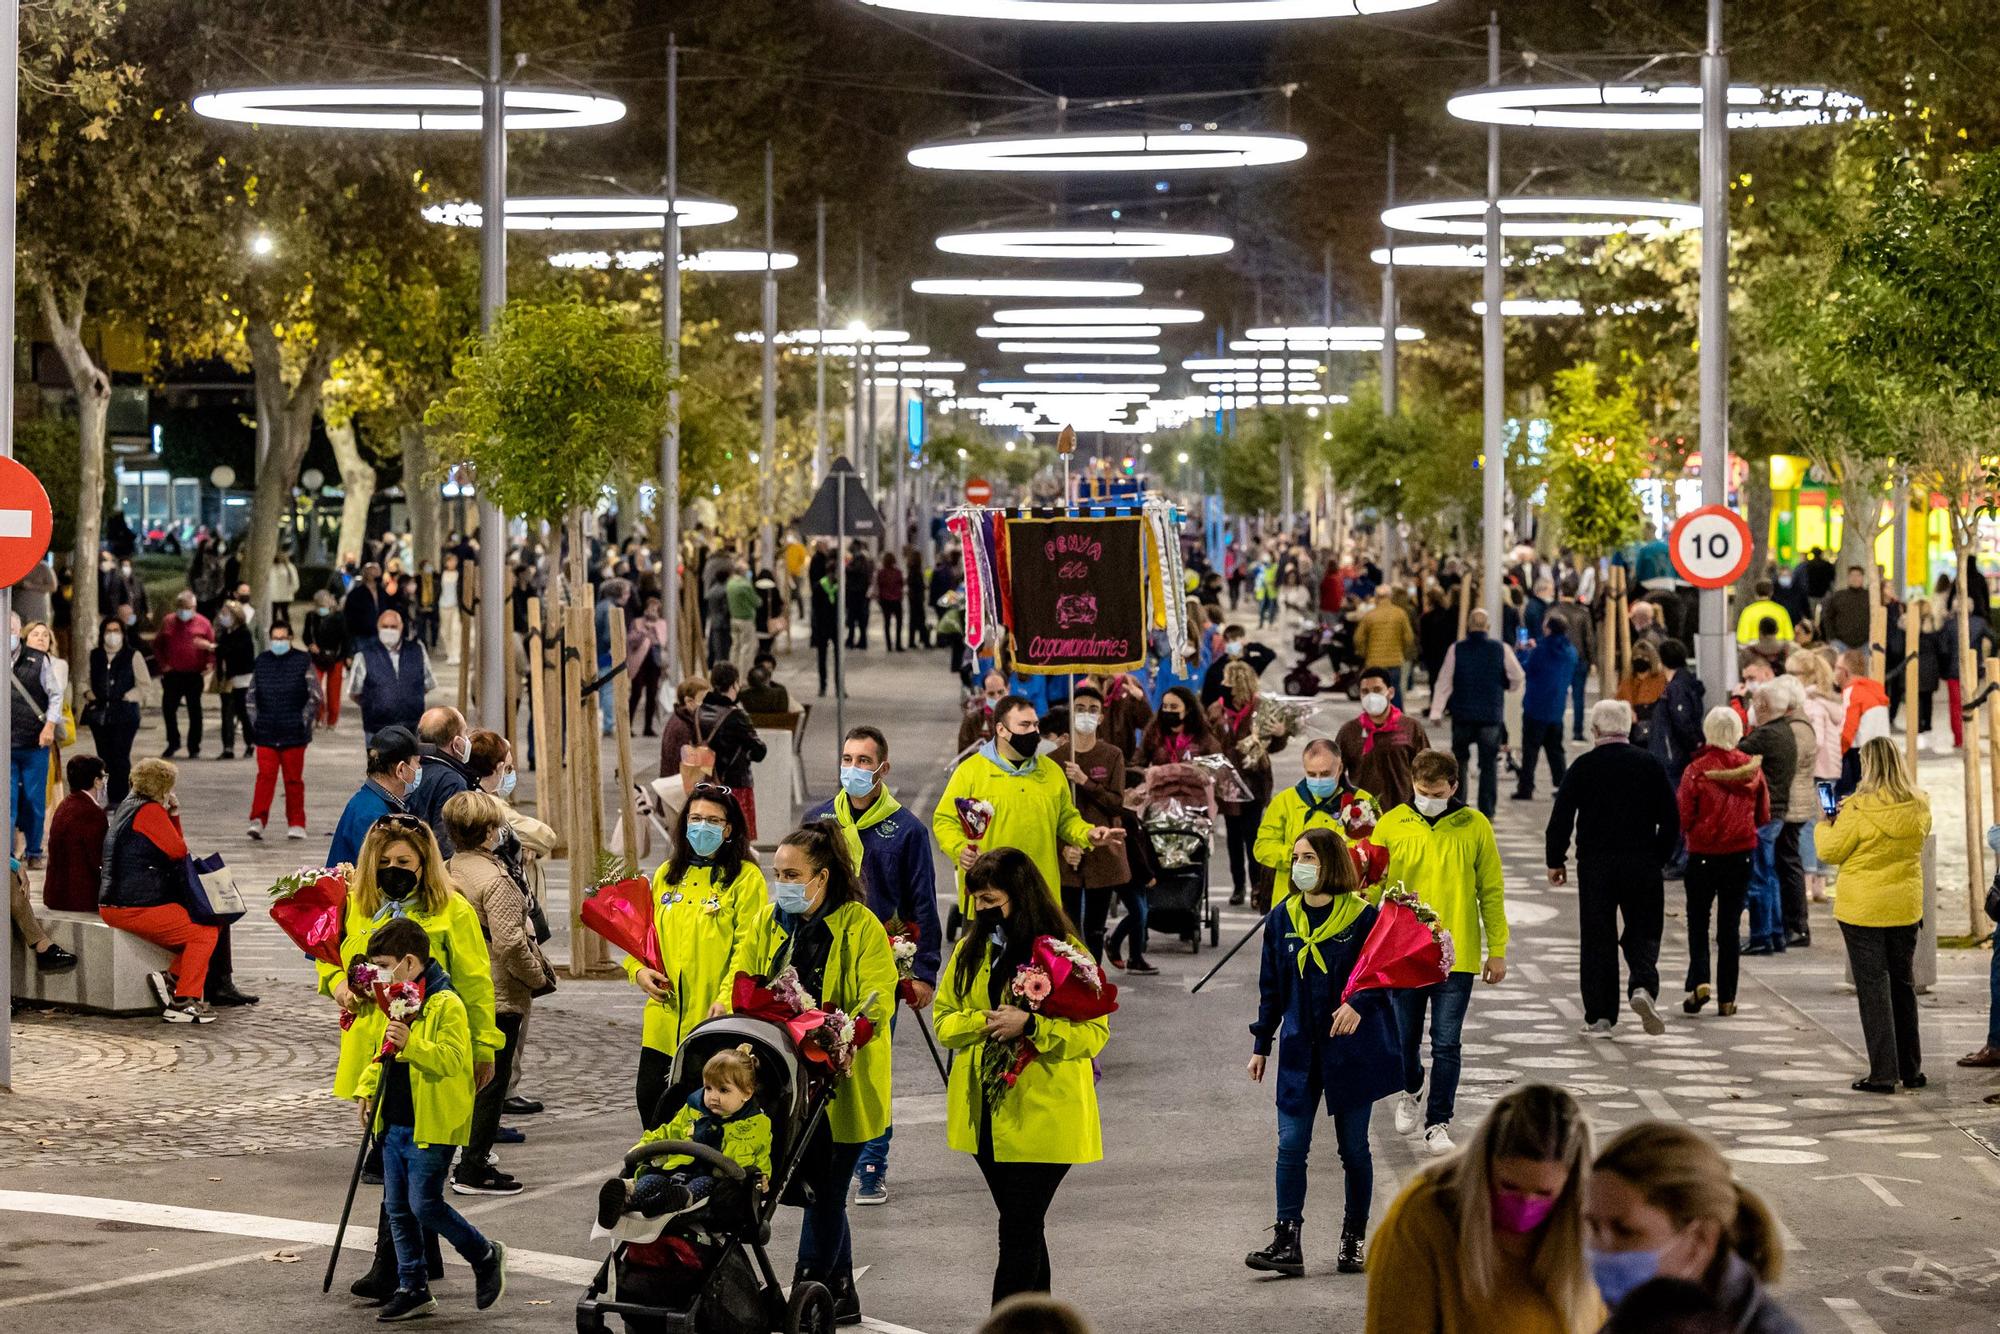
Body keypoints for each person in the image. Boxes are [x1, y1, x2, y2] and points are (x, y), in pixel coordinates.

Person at [728, 820, 896, 1325]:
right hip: (784, 1080)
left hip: (840, 1082)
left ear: (822, 878)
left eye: (793, 874)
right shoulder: (767, 920)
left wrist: (845, 1035)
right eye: (778, 873)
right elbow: (741, 971)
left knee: (826, 1186)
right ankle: (839, 1290)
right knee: (820, 1188)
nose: (783, 884)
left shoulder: (860, 926)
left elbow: (877, 997)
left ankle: (808, 1280)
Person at [329, 815, 501, 1303]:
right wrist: (340, 985)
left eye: (403, 861)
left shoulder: (453, 911)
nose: (392, 869)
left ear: (425, 862)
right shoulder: (360, 904)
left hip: (428, 1051)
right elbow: (332, 956)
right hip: (373, 1044)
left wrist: (483, 1046)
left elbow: (474, 983)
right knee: (392, 1152)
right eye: (383, 861)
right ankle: (417, 1265)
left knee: (401, 1164)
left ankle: (394, 1267)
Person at [935, 847, 1106, 1306]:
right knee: (1025, 1227)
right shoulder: (971, 952)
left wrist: (1032, 1026)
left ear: (1020, 896)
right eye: (978, 902)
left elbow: (1093, 1034)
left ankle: (1003, 1323)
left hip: (1045, 1116)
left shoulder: (1065, 955)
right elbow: (944, 1021)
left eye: (992, 900)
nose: (983, 911)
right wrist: (986, 1023)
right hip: (986, 1117)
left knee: (1018, 1230)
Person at [1245, 826, 1400, 1278]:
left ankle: (1353, 1240)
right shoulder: (1283, 917)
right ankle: (1286, 1240)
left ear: (1330, 862)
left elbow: (1382, 974)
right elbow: (1271, 988)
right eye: (1296, 858)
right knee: (1290, 1144)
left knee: (1353, 1149)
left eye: (1308, 857)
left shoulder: (1363, 917)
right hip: (1298, 1049)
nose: (1299, 866)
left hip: (1351, 1051)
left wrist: (1358, 1004)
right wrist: (1261, 1044)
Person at [804, 725, 942, 1205]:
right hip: (819, 959)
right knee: (817, 1057)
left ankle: (871, 1163)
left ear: (883, 768)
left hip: (879, 963)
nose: (854, 769)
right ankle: (817, 1149)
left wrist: (924, 971)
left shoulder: (906, 830)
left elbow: (923, 901)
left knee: (870, 1061)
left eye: (864, 761)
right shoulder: (819, 820)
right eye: (847, 759)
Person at [352, 916, 510, 1322]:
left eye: (383, 964)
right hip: (396, 1121)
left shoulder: (445, 1003)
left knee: (425, 1204)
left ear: (408, 961)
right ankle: (412, 1286)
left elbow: (454, 1061)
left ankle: (484, 1253)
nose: (378, 974)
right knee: (397, 1208)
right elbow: (381, 1050)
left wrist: (413, 1045)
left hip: (433, 1122)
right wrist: (368, 1088)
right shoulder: (396, 998)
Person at [1364, 1083, 1599, 1334]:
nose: (1525, 1205)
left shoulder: (1592, 1225)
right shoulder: (1421, 1219)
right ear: (1484, 1168)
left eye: (1543, 1194)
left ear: (1571, 1188)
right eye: (1509, 1186)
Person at [1375, 749, 1507, 1155]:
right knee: (1402, 1040)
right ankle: (1411, 1086)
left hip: (1458, 953)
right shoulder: (1391, 824)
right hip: (1403, 953)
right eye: (1420, 790)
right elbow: (1372, 887)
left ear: (1453, 787)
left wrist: (1497, 948)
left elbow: (1491, 889)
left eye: (1436, 791)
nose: (1428, 797)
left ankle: (1438, 1121)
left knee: (1447, 1042)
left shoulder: (1474, 826)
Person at [629, 785, 768, 1127]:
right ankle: (655, 1174)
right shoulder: (667, 874)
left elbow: (747, 949)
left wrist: (725, 999)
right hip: (662, 1019)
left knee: (701, 1115)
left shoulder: (745, 879)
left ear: (729, 828)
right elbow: (644, 938)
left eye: (712, 820)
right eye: (695, 818)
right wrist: (637, 971)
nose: (701, 827)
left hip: (712, 1022)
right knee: (651, 1103)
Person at [1586, 1122, 1804, 1332]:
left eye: (1626, 1231)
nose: (1601, 1250)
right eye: (1594, 1227)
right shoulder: (1636, 1318)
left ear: (1701, 1239)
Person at [1546, 700, 1679, 1036]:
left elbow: (1561, 817)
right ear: (1629, 728)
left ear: (1594, 731)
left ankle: (1600, 1017)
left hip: (1596, 865)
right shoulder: (1649, 764)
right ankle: (1643, 986)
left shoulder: (1583, 766)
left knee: (1597, 937)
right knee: (1644, 928)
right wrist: (1659, 857)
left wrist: (1555, 860)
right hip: (1643, 862)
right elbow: (1672, 819)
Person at [443, 790, 553, 1194]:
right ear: (490, 833)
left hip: (459, 987)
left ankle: (462, 1153)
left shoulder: (447, 869)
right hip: (497, 993)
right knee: (491, 1081)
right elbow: (510, 943)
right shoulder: (497, 880)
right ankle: (473, 1167)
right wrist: (538, 976)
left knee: (467, 1078)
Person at [933, 695, 1121, 926]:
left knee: (1039, 961)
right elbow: (944, 820)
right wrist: (959, 849)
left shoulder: (1051, 772)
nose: (1033, 732)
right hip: (988, 895)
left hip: (1040, 896)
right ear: (1002, 730)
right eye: (1024, 725)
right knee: (981, 962)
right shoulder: (970, 772)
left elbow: (1066, 819)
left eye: (1035, 725)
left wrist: (1088, 834)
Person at [1816, 737, 1930, 1093]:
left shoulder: (1858, 809)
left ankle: (1882, 1073)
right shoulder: (1919, 804)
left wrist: (1827, 822)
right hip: (1905, 907)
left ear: (1869, 766)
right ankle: (1911, 1070)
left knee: (1873, 990)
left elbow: (1830, 851)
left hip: (1863, 909)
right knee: (1903, 985)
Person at [99, 758, 254, 1018]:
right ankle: (183, 1000)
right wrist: (172, 814)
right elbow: (178, 850)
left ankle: (173, 979)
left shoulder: (127, 806)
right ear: (162, 787)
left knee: (206, 927)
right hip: (134, 905)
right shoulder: (149, 811)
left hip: (118, 900)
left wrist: (171, 815)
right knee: (202, 933)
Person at [601, 1044, 773, 1226]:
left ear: (746, 1093)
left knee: (704, 1185)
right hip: (675, 1171)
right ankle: (626, 1199)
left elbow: (761, 1157)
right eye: (708, 1088)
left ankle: (677, 1200)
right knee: (651, 1179)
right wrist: (643, 1147)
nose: (713, 1097)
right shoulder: (692, 1110)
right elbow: (668, 1132)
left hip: (715, 1182)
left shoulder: (756, 1123)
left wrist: (762, 1179)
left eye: (723, 1090)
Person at [1677, 708, 1769, 1018]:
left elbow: (1683, 815)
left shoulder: (1696, 770)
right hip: (1740, 854)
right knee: (1729, 927)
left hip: (1703, 855)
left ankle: (1700, 981)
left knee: (1698, 921)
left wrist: (1694, 832)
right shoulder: (1752, 770)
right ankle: (1727, 998)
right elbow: (1764, 814)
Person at [1427, 608, 1524, 818]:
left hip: (1462, 715)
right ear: (1487, 627)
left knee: (1459, 762)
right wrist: (1509, 686)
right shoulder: (1501, 649)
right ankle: (1487, 810)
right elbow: (1517, 675)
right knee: (1488, 763)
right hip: (1491, 715)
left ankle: (1458, 805)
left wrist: (1437, 710)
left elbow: (1444, 681)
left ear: (1469, 626)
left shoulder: (1456, 649)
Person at [1255, 740, 1374, 906]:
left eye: (1325, 774)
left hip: (1344, 901)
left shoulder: (1362, 802)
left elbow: (1373, 851)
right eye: (1311, 774)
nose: (1318, 780)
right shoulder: (1284, 801)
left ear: (1339, 768)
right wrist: (1299, 858)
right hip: (1290, 902)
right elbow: (1262, 846)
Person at [1210, 661, 1285, 908]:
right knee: (1233, 836)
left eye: (1228, 680)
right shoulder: (1217, 711)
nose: (1223, 685)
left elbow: (1273, 746)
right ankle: (1238, 886)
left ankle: (1257, 886)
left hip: (1254, 781)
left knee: (1253, 836)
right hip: (1228, 783)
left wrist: (1279, 733)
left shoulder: (1261, 709)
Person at [1736, 679, 1800, 959]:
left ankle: (1762, 935)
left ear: (1761, 706)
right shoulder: (1785, 730)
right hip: (1778, 810)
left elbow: (1736, 751)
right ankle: (1774, 933)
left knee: (1759, 875)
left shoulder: (1765, 735)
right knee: (1770, 874)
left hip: (1765, 812)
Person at [243, 619, 322, 841]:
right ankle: (257, 820)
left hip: (294, 733)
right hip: (266, 731)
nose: (278, 642)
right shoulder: (262, 662)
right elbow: (251, 694)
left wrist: (303, 720)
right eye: (275, 638)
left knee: (293, 780)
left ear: (289, 638)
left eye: (282, 638)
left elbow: (315, 695)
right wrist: (256, 721)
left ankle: (296, 822)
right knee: (264, 777)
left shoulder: (302, 661)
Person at [1335, 667, 1430, 814]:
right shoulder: (1349, 731)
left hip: (1404, 814)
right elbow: (1336, 774)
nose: (1371, 696)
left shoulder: (1411, 728)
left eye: (1377, 689)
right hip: (1363, 817)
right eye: (1365, 691)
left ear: (1390, 692)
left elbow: (1427, 770)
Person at [9, 618, 65, 866]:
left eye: (12, 630)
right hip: (5, 745)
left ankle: (33, 851)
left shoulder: (40, 660)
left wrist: (50, 726)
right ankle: (7, 855)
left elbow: (55, 695)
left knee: (34, 800)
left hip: (34, 742)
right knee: (6, 801)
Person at [328, 725, 423, 867]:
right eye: (417, 762)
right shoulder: (373, 816)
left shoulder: (370, 801)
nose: (420, 768)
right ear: (401, 770)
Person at [696, 662, 768, 837]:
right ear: (734, 684)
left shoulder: (699, 712)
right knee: (739, 838)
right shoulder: (736, 716)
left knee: (711, 836)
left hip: (706, 784)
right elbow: (759, 751)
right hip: (736, 786)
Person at [1513, 613, 1578, 802]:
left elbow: (1527, 668)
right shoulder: (1570, 652)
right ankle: (1563, 785)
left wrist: (1523, 651)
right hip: (1556, 707)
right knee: (1555, 750)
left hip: (1535, 706)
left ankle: (1526, 787)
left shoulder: (1541, 650)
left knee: (1530, 750)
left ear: (1548, 629)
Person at [84, 613, 147, 805]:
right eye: (109, 631)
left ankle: (121, 798)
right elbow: (83, 681)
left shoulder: (133, 655)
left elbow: (144, 684)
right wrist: (89, 694)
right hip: (100, 714)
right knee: (104, 757)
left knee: (120, 756)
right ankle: (107, 796)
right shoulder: (95, 655)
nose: (112, 634)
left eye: (116, 631)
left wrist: (128, 697)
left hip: (125, 714)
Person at [349, 608, 436, 745]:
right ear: (378, 628)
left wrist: (409, 698)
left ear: (401, 627)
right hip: (376, 729)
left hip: (411, 728)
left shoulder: (417, 651)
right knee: (379, 766)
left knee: (411, 766)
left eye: (393, 627)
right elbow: (355, 692)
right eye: (385, 627)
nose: (389, 630)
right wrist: (375, 704)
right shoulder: (364, 655)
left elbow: (428, 684)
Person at [43, 754, 108, 913]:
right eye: (104, 776)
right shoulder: (92, 813)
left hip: (56, 895)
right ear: (97, 781)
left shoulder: (65, 805)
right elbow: (99, 858)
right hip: (80, 898)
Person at [409, 707, 476, 856]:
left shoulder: (411, 768)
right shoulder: (452, 782)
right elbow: (447, 841)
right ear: (456, 743)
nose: (468, 739)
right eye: (465, 732)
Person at [1649, 639, 1708, 801]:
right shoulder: (1685, 684)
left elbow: (1682, 721)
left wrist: (1694, 744)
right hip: (1679, 755)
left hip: (1673, 756)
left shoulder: (1676, 688)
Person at [1353, 592, 1417, 706]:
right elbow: (1409, 637)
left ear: (1377, 598)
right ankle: (1397, 720)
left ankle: (1377, 721)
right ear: (1390, 597)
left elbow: (1358, 638)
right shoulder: (1400, 614)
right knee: (1394, 691)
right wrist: (1403, 652)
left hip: (1374, 662)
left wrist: (1364, 653)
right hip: (1395, 660)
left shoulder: (1370, 615)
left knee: (1375, 694)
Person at [1135, 684, 1216, 770]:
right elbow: (1141, 763)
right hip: (1159, 782)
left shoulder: (1203, 738)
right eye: (1165, 706)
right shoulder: (1153, 735)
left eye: (1174, 707)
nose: (1168, 710)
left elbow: (1217, 768)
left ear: (1188, 710)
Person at [303, 588, 352, 727]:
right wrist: (310, 645)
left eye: (324, 604)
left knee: (333, 691)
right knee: (315, 689)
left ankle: (332, 720)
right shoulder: (311, 617)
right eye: (319, 605)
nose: (322, 608)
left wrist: (347, 655)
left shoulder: (339, 617)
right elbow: (306, 635)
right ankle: (318, 717)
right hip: (316, 656)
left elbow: (346, 638)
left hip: (335, 657)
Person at [1197, 623, 1276, 708]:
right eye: (1227, 641)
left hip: (1248, 710)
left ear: (1243, 640)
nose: (1230, 644)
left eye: (1234, 640)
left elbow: (1270, 655)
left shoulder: (1251, 663)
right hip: (1226, 712)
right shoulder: (1217, 667)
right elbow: (1207, 696)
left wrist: (1249, 646)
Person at [626, 594, 667, 735]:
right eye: (651, 608)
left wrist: (653, 630)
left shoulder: (662, 624)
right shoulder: (637, 622)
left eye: (656, 609)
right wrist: (644, 632)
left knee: (652, 694)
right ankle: (628, 726)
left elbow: (662, 641)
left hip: (654, 662)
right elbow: (631, 640)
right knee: (636, 693)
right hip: (639, 662)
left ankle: (648, 727)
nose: (653, 612)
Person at [658, 675, 710, 784]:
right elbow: (688, 767)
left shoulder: (684, 719)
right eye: (705, 700)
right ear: (689, 702)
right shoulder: (682, 727)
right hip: (679, 791)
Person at [1820, 565, 1871, 651]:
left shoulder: (1869, 597)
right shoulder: (1838, 596)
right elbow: (1827, 617)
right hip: (1841, 643)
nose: (1855, 578)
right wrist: (1832, 637)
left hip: (1865, 643)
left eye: (1858, 575)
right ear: (1848, 578)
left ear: (1862, 577)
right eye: (1852, 575)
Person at [1734, 581, 1794, 646]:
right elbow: (1789, 638)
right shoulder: (1781, 611)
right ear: (1771, 593)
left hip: (1755, 650)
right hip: (1777, 649)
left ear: (1756, 593)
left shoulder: (1748, 611)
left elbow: (1742, 639)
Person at [874, 550, 905, 652]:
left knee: (887, 623)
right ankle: (898, 644)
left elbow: (879, 585)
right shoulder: (898, 572)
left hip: (885, 600)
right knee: (899, 623)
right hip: (896, 599)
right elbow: (901, 584)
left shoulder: (881, 573)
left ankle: (889, 645)